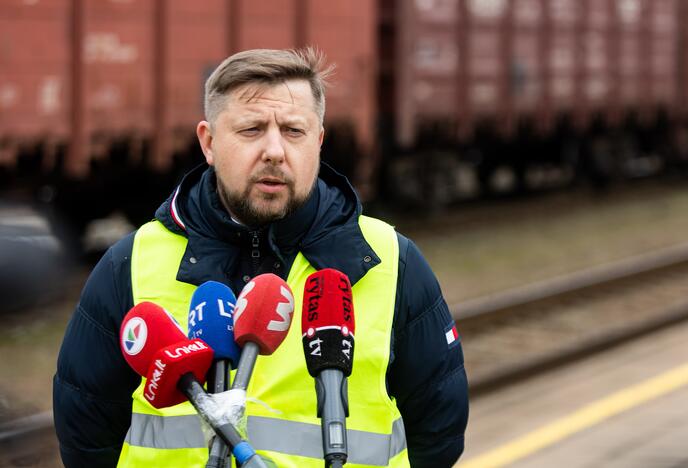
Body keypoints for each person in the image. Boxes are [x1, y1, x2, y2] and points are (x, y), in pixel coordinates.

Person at [53, 48, 468, 467]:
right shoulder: (131, 264)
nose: (274, 150)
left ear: (319, 141)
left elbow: (438, 431)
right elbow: (85, 431)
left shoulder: (391, 261)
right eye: (251, 129)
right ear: (209, 142)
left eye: (293, 131)